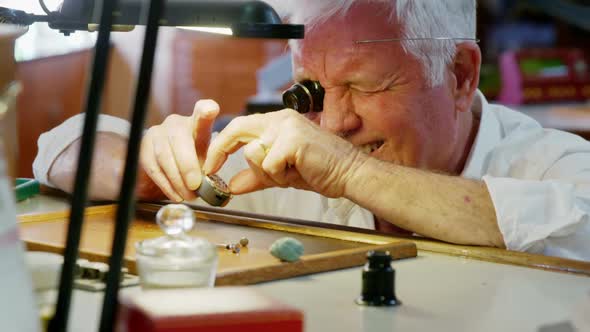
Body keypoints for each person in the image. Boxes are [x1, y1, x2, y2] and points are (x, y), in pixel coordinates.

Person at [33, 0, 590, 261]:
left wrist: (350, 173)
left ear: (461, 75)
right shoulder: (285, 153)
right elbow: (61, 146)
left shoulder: (551, 163)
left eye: (368, 87)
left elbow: (575, 229)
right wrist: (140, 170)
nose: (336, 125)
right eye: (314, 92)